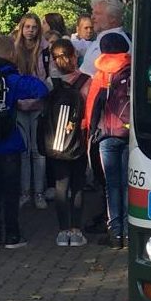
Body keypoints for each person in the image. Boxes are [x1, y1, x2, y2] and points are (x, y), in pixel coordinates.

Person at [0, 34, 48, 248]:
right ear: (11, 54)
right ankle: (12, 235)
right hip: (9, 141)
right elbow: (40, 89)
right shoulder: (12, 78)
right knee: (11, 191)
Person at [40, 37, 90, 246]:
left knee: (61, 186)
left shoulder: (49, 84)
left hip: (55, 142)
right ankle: (76, 230)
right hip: (78, 141)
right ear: (74, 56)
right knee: (78, 185)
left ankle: (62, 231)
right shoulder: (86, 82)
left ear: (53, 60)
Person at [84, 32, 131, 247]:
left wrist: (90, 132)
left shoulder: (101, 73)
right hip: (129, 134)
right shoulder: (131, 70)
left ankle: (115, 234)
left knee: (112, 185)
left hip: (107, 135)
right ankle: (129, 233)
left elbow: (93, 106)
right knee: (128, 184)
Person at [11, 12, 49, 209]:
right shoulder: (13, 49)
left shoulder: (45, 49)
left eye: (34, 27)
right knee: (24, 151)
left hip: (38, 104)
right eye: (27, 27)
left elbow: (48, 76)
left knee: (38, 150)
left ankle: (39, 192)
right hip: (19, 104)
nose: (30, 31)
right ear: (21, 28)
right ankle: (25, 192)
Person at [78, 0, 130, 76]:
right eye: (93, 13)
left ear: (112, 18)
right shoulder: (106, 38)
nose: (92, 17)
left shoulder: (113, 42)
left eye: (97, 13)